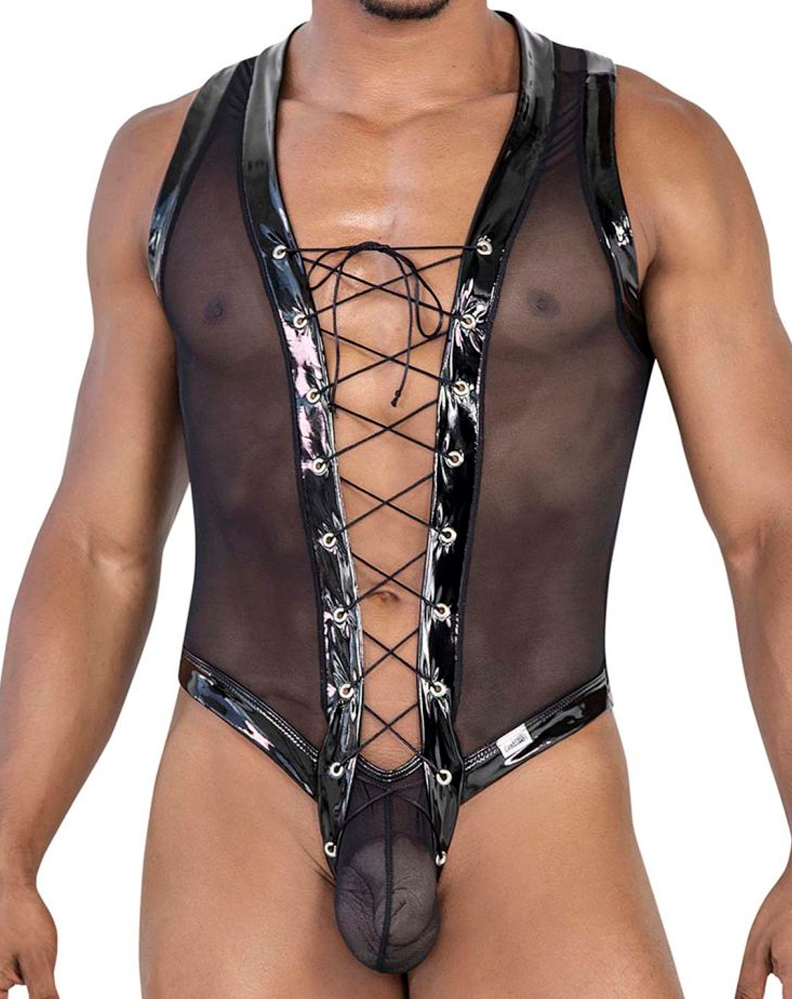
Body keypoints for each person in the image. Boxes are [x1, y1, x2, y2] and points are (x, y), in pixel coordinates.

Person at [1, 0, 791, 995]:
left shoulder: (653, 153)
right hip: (246, 787)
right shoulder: (163, 163)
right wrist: (8, 840)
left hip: (538, 784)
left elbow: (769, 525)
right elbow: (100, 543)